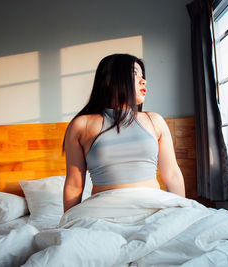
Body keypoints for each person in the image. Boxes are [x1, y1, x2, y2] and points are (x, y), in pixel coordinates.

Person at [63, 54, 185, 212]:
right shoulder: (81, 125)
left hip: (153, 207)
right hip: (103, 211)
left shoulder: (155, 120)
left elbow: (173, 174)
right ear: (110, 79)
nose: (143, 80)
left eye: (143, 76)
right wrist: (68, 221)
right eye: (135, 73)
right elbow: (74, 184)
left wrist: (183, 211)